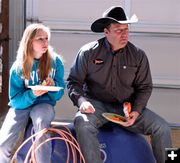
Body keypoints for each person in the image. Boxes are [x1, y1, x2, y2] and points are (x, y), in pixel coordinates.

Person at [67, 6, 172, 163]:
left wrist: (136, 111)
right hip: (96, 107)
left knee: (163, 127)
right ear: (106, 32)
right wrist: (82, 102)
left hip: (126, 108)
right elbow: (73, 82)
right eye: (118, 30)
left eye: (126, 29)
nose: (124, 34)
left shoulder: (138, 55)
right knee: (82, 124)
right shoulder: (88, 53)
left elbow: (145, 87)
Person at [0, 23, 65, 163]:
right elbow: (15, 99)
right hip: (21, 105)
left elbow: (59, 94)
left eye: (46, 38)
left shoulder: (55, 62)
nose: (45, 42)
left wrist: (53, 86)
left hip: (44, 104)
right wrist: (32, 94)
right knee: (4, 143)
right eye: (40, 39)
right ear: (30, 42)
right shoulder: (19, 66)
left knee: (42, 127)